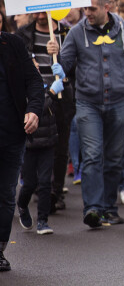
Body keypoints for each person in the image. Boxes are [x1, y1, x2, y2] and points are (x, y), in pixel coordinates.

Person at [53, 0, 124, 228]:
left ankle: (109, 208)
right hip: (88, 103)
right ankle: (93, 209)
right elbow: (65, 64)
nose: (87, 12)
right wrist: (57, 62)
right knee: (92, 155)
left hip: (119, 102)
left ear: (107, 7)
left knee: (114, 158)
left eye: (92, 8)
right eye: (85, 8)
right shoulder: (76, 33)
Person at [16, 12, 74, 212]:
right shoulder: (23, 35)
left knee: (60, 147)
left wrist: (62, 57)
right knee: (34, 144)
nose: (42, 15)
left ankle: (54, 192)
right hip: (34, 99)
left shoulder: (67, 33)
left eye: (46, 11)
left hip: (61, 98)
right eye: (38, 11)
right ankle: (37, 187)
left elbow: (78, 64)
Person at [0, 30, 43, 272]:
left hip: (11, 133)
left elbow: (34, 80)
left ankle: (0, 249)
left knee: (6, 193)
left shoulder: (13, 43)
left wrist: (34, 109)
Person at [16, 81, 59, 235]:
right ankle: (22, 205)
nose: (37, 67)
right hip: (29, 144)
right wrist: (52, 94)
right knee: (29, 184)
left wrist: (64, 84)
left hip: (47, 141)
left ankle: (43, 220)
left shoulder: (44, 85)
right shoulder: (19, 88)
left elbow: (61, 103)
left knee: (45, 182)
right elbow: (34, 107)